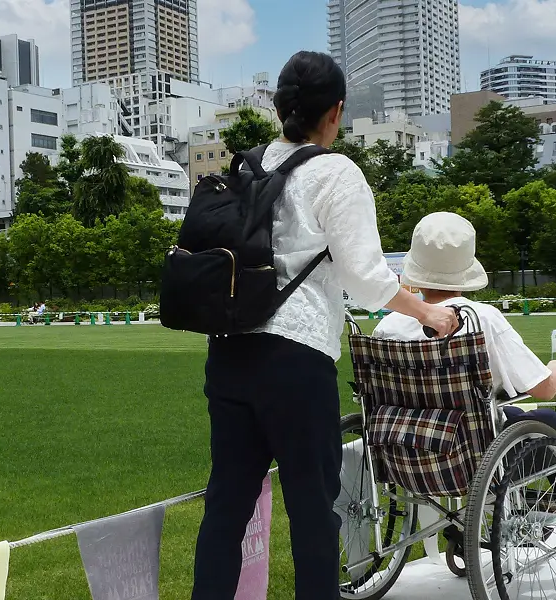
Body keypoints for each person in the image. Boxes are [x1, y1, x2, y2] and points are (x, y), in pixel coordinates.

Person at [190, 51, 459, 600]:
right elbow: (366, 280)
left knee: (226, 508)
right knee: (313, 513)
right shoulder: (336, 173)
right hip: (296, 359)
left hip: (230, 355)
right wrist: (429, 312)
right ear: (335, 112)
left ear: (279, 105)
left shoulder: (249, 165)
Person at [371, 212, 556, 536]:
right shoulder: (480, 317)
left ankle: (522, 513)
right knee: (547, 418)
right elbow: (544, 388)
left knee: (504, 414)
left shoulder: (388, 325)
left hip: (400, 450)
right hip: (469, 453)